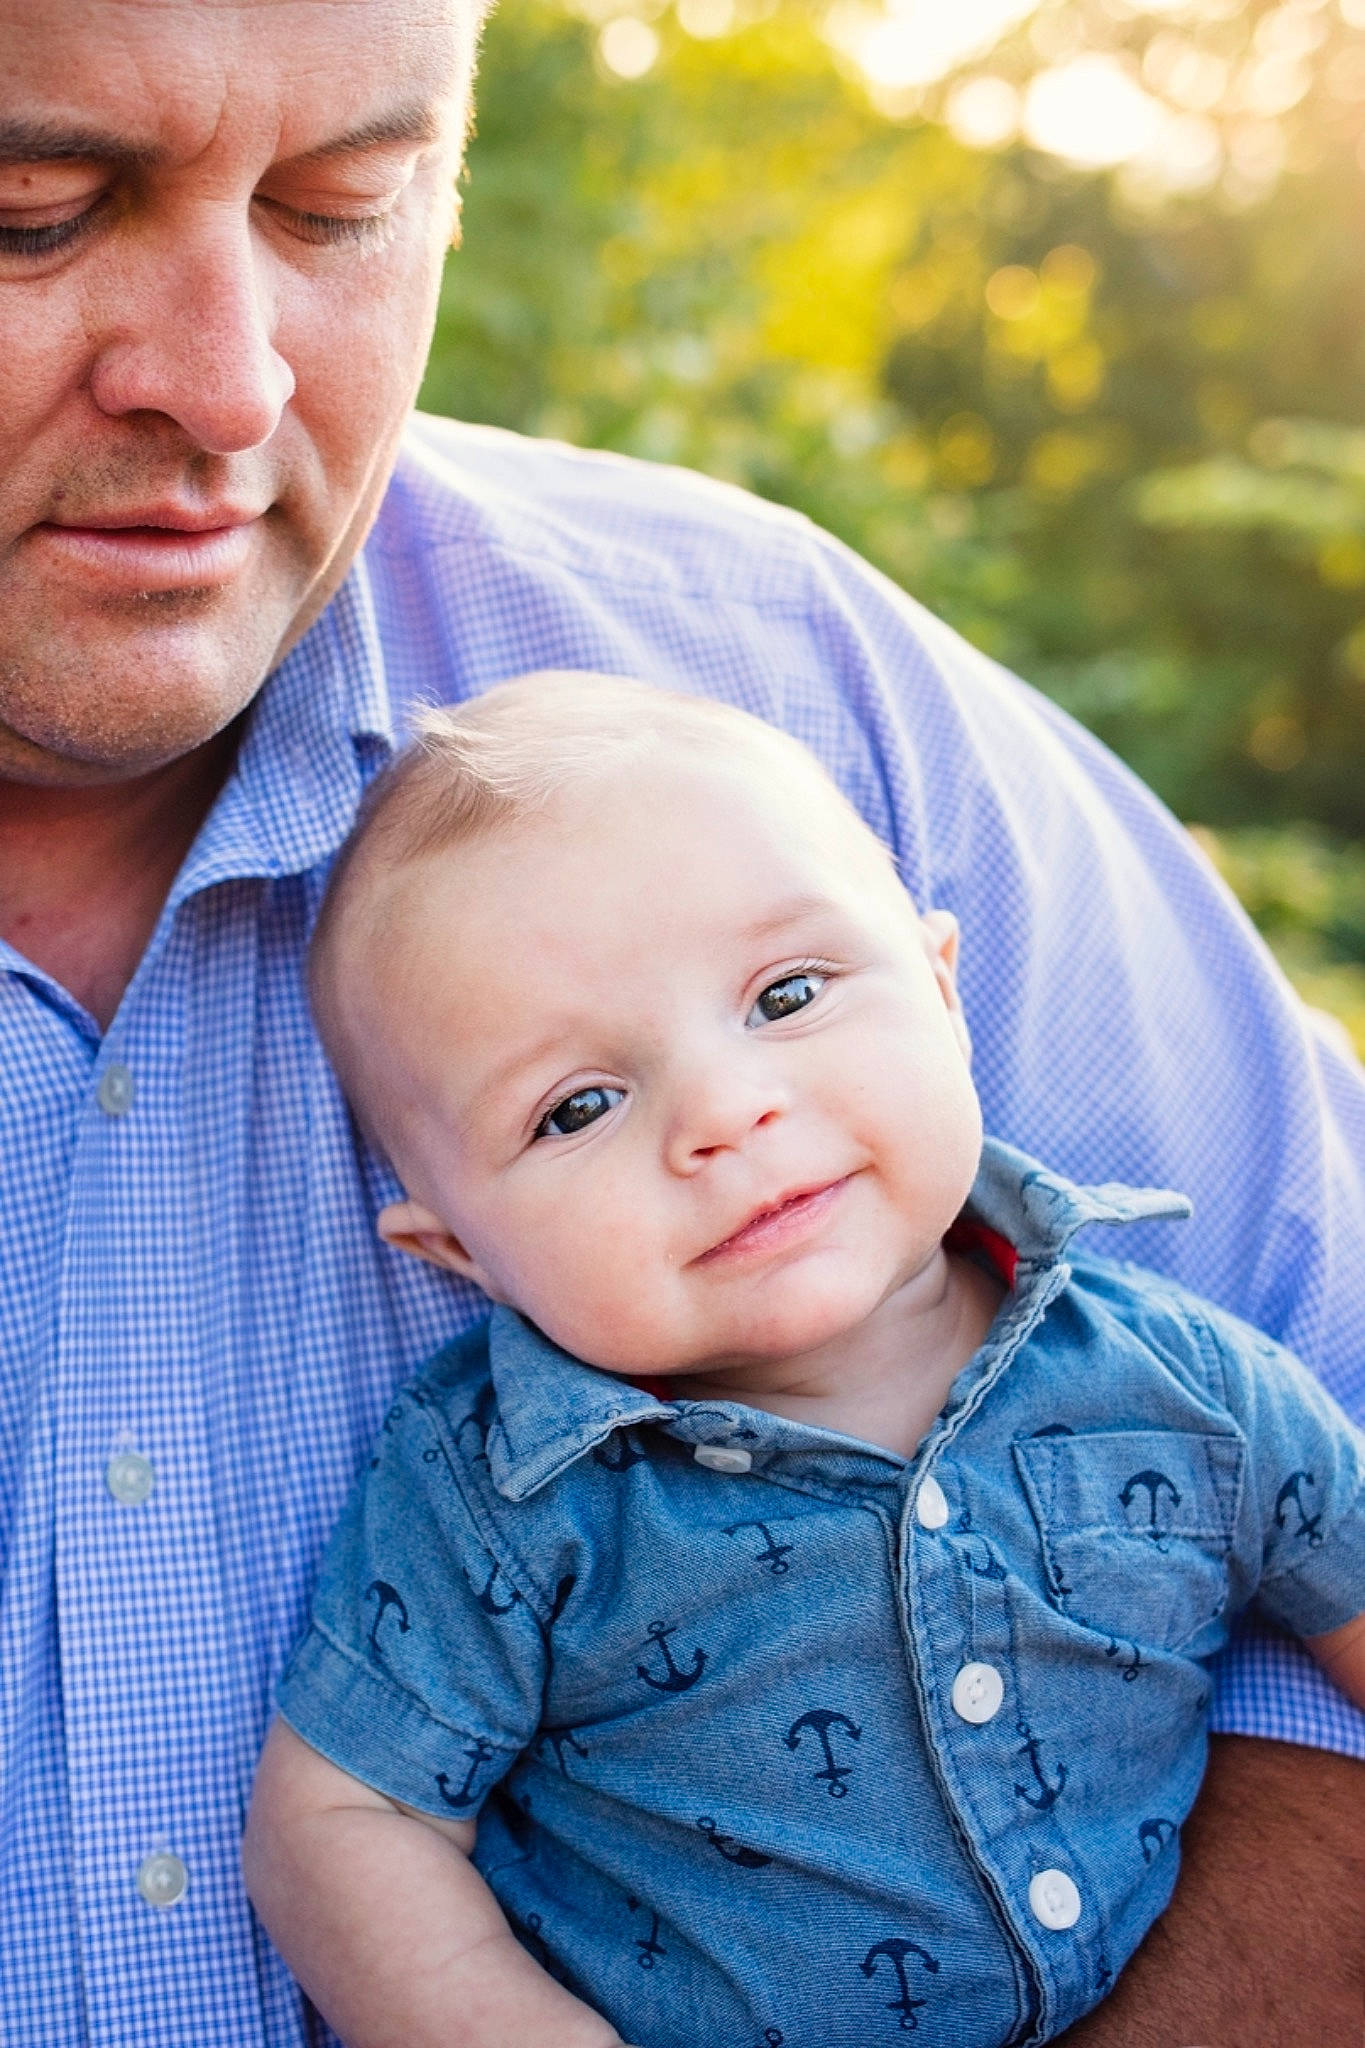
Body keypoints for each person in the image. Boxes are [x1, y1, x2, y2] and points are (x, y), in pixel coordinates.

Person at [0, 2, 1360, 2043]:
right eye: (31, 214)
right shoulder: (502, 1504)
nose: (225, 383)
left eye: (345, 206)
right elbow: (350, 1825)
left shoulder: (779, 693)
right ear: (440, 1230)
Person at [243, 675, 1365, 2048]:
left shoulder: (1179, 1383)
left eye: (784, 994)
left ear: (942, 990)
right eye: (577, 1106)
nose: (721, 1110)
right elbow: (345, 1816)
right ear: (459, 1251)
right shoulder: (505, 1496)